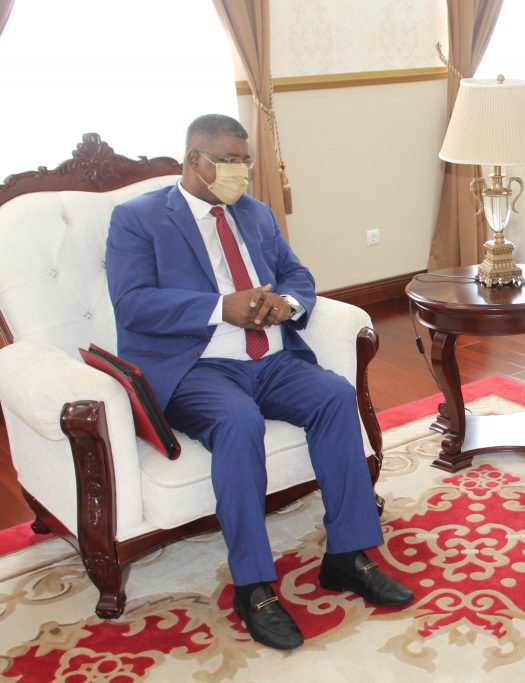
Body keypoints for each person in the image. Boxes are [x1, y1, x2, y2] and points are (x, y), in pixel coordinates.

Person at [106, 114, 413, 651]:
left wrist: (287, 304)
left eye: (244, 160)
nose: (240, 171)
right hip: (197, 366)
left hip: (270, 359)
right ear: (194, 160)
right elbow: (132, 304)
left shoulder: (256, 212)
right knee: (238, 421)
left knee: (335, 395)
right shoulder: (139, 218)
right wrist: (217, 308)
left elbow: (297, 276)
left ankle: (347, 555)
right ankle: (253, 586)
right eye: (228, 160)